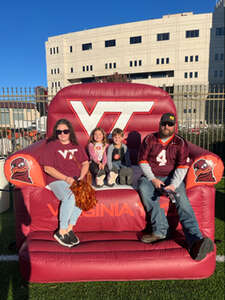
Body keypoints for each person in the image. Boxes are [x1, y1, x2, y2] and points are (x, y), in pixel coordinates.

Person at [138, 112, 214, 261]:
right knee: (144, 188)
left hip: (172, 177)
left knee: (182, 201)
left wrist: (173, 185)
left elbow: (182, 166)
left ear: (175, 126)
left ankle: (196, 241)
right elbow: (142, 161)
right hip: (151, 177)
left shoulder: (180, 142)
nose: (166, 126)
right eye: (164, 123)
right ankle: (160, 230)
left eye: (170, 124)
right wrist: (153, 180)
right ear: (159, 124)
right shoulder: (149, 139)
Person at [40, 119, 89, 248]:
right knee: (70, 196)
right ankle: (61, 231)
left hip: (75, 179)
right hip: (57, 179)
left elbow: (85, 163)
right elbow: (47, 168)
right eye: (59, 131)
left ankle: (69, 228)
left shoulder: (76, 145)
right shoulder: (51, 145)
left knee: (84, 196)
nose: (62, 134)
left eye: (65, 131)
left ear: (70, 132)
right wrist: (66, 179)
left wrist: (81, 177)